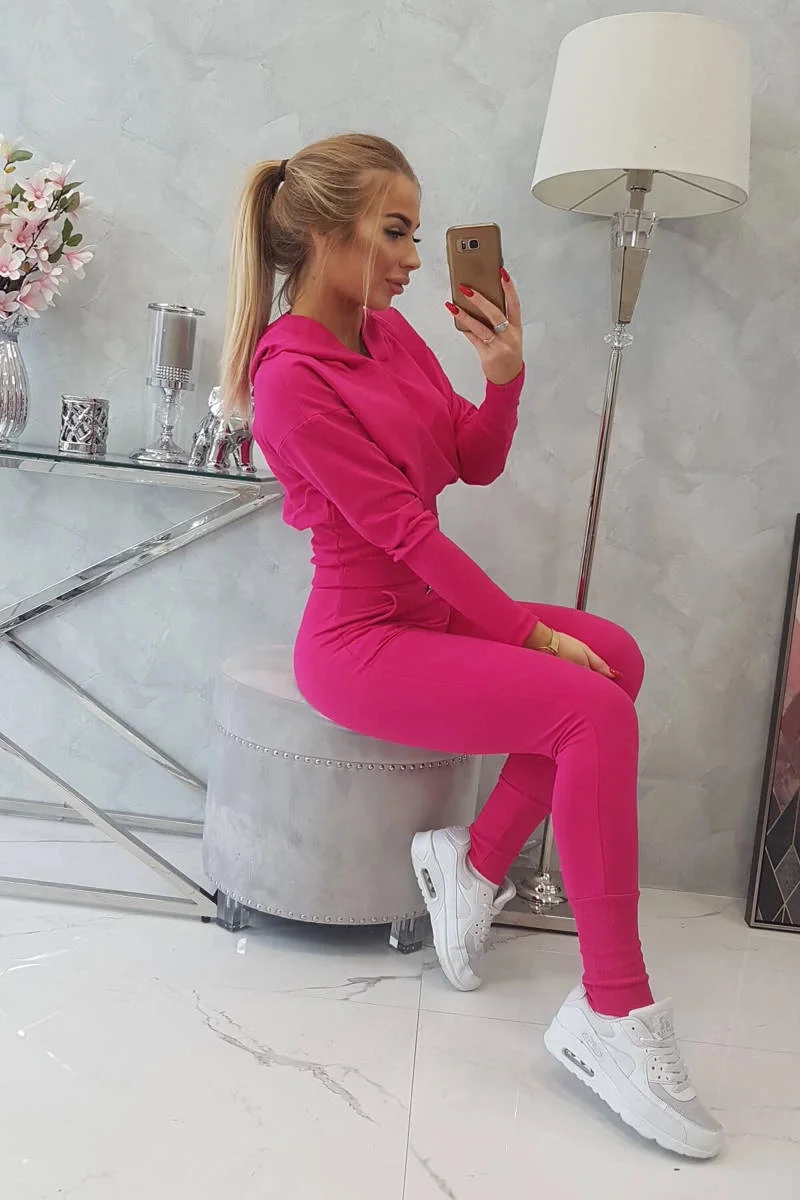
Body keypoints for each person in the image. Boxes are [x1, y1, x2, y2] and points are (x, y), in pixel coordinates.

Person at [221, 132, 722, 1160]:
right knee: (589, 707)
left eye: (417, 233)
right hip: (360, 639)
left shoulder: (388, 334)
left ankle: (473, 862)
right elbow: (404, 534)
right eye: (395, 231)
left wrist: (503, 377)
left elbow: (472, 460)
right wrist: (531, 637)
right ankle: (611, 1012)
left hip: (424, 612)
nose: (416, 257)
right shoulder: (290, 379)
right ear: (328, 234)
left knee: (616, 660)